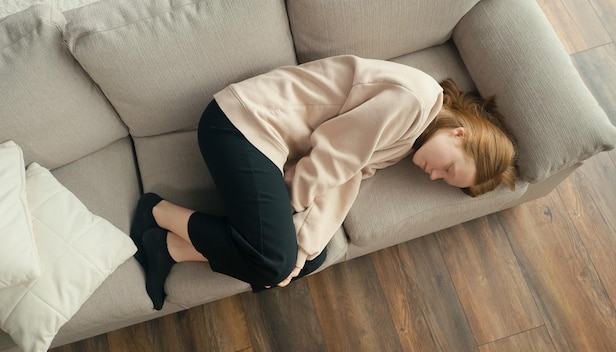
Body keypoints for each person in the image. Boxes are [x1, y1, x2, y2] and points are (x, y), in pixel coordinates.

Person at [130, 55, 516, 310]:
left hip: (269, 147)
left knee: (310, 258)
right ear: (460, 134)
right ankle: (157, 211)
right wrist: (286, 237)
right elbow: (331, 158)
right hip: (244, 124)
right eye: (448, 169)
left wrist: (303, 245)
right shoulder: (413, 101)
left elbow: (345, 180)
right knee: (274, 264)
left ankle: (168, 248)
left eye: (442, 180)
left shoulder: (408, 140)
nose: (432, 175)